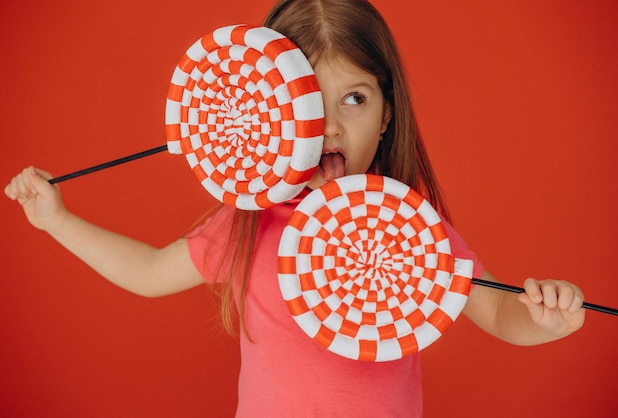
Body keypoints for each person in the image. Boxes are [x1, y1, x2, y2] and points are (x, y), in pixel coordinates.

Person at [4, 0, 585, 416]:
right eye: (305, 100)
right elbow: (153, 273)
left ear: (386, 116)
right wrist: (57, 220)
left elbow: (496, 313)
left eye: (353, 99)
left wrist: (547, 321)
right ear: (267, 112)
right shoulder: (250, 219)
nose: (329, 125)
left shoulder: (407, 230)